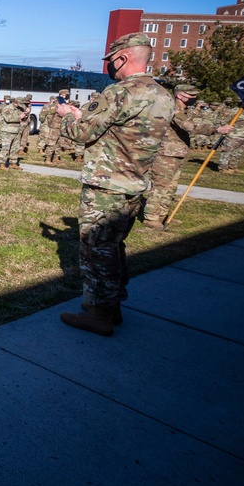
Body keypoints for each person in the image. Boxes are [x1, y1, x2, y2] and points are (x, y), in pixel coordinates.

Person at [57, 33, 175, 336]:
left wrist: (67, 116)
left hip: (106, 185)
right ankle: (112, 304)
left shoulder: (119, 92)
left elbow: (82, 134)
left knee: (97, 248)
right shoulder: (163, 95)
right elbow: (122, 130)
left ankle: (100, 313)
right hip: (134, 183)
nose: (110, 67)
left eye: (111, 61)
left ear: (122, 58)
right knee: (114, 246)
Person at [142, 84, 231, 229]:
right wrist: (217, 129)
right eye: (191, 96)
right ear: (180, 95)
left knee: (171, 186)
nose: (194, 98)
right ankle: (151, 218)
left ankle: (162, 215)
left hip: (177, 153)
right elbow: (189, 126)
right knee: (161, 186)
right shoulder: (173, 108)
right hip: (166, 153)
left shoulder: (185, 109)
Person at [218, 98, 244, 173]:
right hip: (232, 136)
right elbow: (224, 122)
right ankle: (223, 168)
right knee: (227, 152)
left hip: (243, 135)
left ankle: (232, 167)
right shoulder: (232, 111)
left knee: (237, 153)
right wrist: (227, 131)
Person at [42, 89, 70, 164]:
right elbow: (50, 116)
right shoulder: (56, 104)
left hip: (62, 127)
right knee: (51, 143)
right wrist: (52, 125)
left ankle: (56, 158)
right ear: (62, 94)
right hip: (55, 127)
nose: (68, 96)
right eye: (67, 94)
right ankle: (48, 159)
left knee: (60, 143)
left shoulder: (64, 104)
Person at [0, 96, 26, 170]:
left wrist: (26, 113)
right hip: (8, 131)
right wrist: (20, 117)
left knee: (15, 148)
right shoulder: (7, 108)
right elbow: (8, 119)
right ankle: (2, 164)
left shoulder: (19, 109)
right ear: (15, 102)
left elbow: (24, 119)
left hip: (16, 131)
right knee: (6, 148)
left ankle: (13, 163)